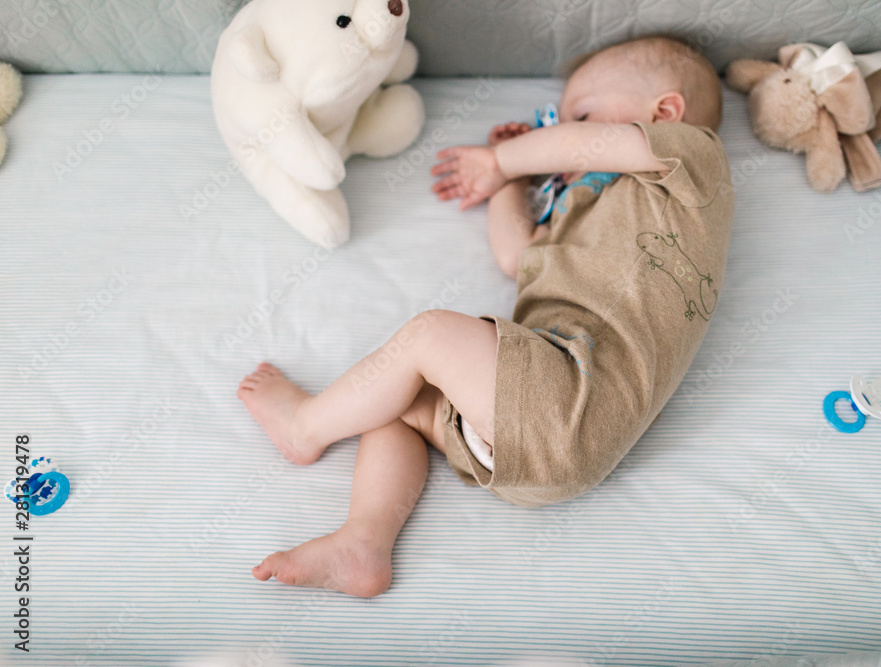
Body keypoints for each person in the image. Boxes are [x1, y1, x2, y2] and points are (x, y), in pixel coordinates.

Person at [236, 36, 733, 597]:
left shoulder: (694, 160)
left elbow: (588, 145)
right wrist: (508, 183)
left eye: (581, 114)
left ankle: (304, 427)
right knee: (393, 403)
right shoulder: (579, 212)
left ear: (665, 113)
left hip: (575, 399)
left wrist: (502, 158)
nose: (560, 133)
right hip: (536, 433)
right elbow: (515, 255)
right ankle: (364, 542)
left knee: (431, 335)